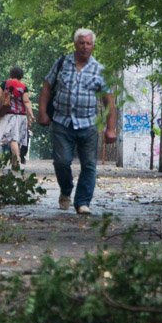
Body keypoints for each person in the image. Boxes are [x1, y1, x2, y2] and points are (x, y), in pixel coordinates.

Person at [37, 28, 117, 214]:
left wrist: (110, 128)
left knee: (89, 165)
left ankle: (82, 202)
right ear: (75, 44)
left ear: (93, 46)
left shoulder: (99, 70)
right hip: (62, 122)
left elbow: (109, 101)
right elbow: (46, 88)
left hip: (88, 124)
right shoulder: (62, 63)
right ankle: (66, 189)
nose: (85, 47)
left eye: (88, 43)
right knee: (62, 162)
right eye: (81, 43)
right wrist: (42, 112)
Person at [0, 66, 33, 169]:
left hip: (9, 115)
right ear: (21, 76)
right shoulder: (24, 86)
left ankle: (16, 162)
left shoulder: (5, 84)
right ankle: (15, 161)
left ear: (11, 74)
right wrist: (31, 116)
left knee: (12, 140)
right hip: (22, 116)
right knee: (17, 140)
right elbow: (26, 102)